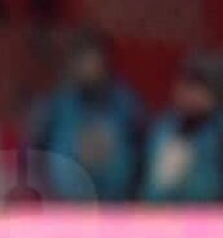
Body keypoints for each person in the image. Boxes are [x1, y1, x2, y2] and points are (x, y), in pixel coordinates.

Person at [30, 30, 145, 202]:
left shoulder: (126, 104)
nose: (90, 68)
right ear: (73, 64)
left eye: (95, 61)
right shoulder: (56, 104)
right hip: (67, 207)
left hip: (116, 205)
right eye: (84, 61)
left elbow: (142, 154)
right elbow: (37, 153)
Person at [139, 56, 223, 202]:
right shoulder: (162, 128)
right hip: (159, 211)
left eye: (198, 88)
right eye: (186, 85)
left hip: (208, 212)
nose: (189, 95)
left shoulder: (218, 132)